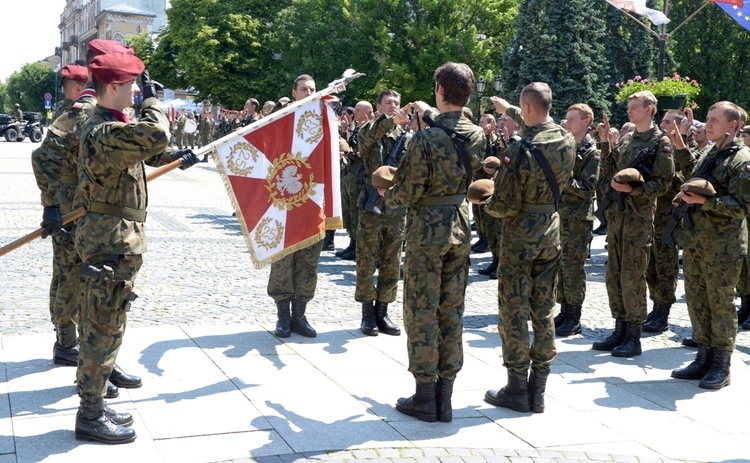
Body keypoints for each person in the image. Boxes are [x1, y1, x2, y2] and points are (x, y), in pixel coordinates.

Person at [74, 51, 198, 444]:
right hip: (108, 241)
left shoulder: (114, 125)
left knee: (111, 321)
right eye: (132, 85)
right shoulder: (99, 130)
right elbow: (155, 134)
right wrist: (156, 104)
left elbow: (151, 149)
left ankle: (97, 400)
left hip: (117, 237)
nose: (137, 91)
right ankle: (89, 414)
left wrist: (177, 158)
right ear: (114, 86)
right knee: (100, 325)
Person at [30, 41, 145, 402]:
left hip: (92, 208)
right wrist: (51, 206)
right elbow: (43, 156)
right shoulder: (85, 112)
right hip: (72, 212)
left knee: (99, 293)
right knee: (74, 280)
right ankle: (70, 346)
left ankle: (101, 362)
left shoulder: (107, 112)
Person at [382, 62, 485, 423]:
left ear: (440, 90)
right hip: (460, 223)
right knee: (451, 310)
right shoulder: (477, 135)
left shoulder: (425, 138)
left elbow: (408, 190)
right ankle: (446, 396)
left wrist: (386, 194)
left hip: (428, 231)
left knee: (421, 309)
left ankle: (426, 395)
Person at [474, 83, 575, 414]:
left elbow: (504, 203)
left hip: (521, 237)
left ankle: (517, 388)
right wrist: (508, 109)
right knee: (543, 309)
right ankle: (539, 389)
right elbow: (536, 121)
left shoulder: (519, 149)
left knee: (513, 311)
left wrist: (484, 203)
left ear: (527, 108)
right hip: (551, 230)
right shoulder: (567, 139)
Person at [666, 101, 750, 389]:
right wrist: (679, 146)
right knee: (698, 301)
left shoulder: (742, 160)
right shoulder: (709, 153)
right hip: (696, 241)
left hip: (723, 246)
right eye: (709, 119)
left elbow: (741, 206)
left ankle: (721, 365)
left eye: (714, 120)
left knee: (721, 305)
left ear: (734, 125)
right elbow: (692, 175)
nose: (707, 124)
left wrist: (706, 201)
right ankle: (703, 357)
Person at [593, 91, 673, 358]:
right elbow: (609, 171)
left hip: (638, 220)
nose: (629, 111)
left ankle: (633, 336)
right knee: (614, 275)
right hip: (617, 218)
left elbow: (664, 184)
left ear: (650, 109)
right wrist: (605, 144)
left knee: (633, 277)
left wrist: (634, 191)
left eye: (635, 107)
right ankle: (619, 327)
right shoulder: (627, 140)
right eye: (628, 107)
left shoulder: (660, 142)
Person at [268, 74, 321, 339]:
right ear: (294, 92)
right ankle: (283, 317)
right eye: (303, 89)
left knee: (308, 264)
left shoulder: (326, 122)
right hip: (284, 203)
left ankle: (300, 314)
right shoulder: (282, 119)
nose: (308, 93)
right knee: (282, 262)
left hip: (312, 203)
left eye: (312, 89)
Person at [355, 90, 407, 337]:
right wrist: (389, 123)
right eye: (388, 102)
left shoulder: (405, 137)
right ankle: (367, 313)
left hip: (396, 206)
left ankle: (382, 311)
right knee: (366, 259)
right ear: (378, 107)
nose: (393, 106)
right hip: (371, 205)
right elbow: (367, 138)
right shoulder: (369, 131)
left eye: (396, 103)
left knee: (391, 259)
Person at [554, 103, 600, 337]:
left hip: (577, 218)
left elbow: (586, 187)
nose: (567, 122)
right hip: (560, 215)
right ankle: (564, 309)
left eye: (573, 119)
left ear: (586, 122)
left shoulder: (592, 152)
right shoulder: (566, 146)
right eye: (567, 118)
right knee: (561, 265)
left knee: (573, 267)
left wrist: (563, 180)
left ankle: (574, 315)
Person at [641, 110, 686, 333]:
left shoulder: (681, 151)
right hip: (651, 215)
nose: (663, 124)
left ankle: (663, 311)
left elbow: (682, 182)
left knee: (666, 266)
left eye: (668, 122)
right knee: (651, 266)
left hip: (669, 218)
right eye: (663, 121)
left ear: (678, 127)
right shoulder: (655, 147)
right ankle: (656, 305)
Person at [338, 101, 372, 260]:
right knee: (348, 212)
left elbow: (358, 154)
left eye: (358, 110)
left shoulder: (368, 130)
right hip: (349, 175)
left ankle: (357, 245)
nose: (354, 112)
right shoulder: (357, 128)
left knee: (355, 213)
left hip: (358, 177)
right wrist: (345, 133)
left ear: (367, 112)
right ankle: (352, 242)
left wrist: (346, 149)